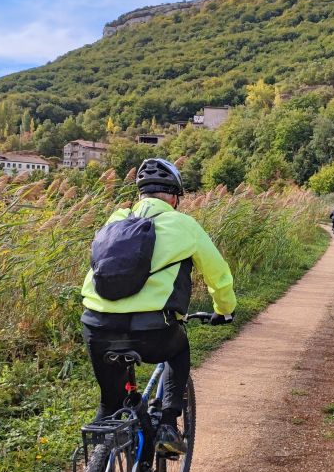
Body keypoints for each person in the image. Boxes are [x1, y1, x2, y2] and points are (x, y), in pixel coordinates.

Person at [80, 158, 236, 455]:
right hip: (153, 330)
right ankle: (167, 424)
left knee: (110, 403)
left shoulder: (115, 220)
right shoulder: (184, 224)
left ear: (140, 194)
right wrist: (224, 309)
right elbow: (219, 276)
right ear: (174, 198)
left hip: (97, 326)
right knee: (178, 349)